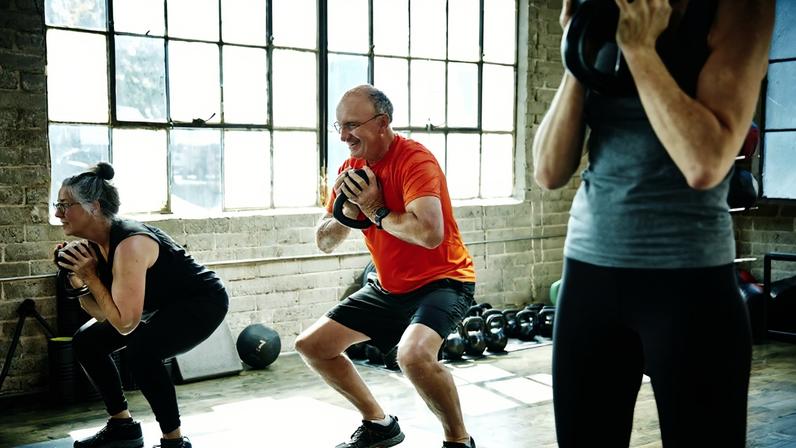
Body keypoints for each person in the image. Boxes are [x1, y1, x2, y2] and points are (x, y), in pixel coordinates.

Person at [532, 0, 774, 446]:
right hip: (589, 275)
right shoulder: (603, 11)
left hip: (689, 283)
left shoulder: (739, 9)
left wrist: (640, 50)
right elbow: (548, 171)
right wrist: (575, 47)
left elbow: (704, 162)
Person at [295, 84, 477, 448]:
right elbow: (324, 241)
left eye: (352, 126)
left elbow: (429, 234)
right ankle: (379, 425)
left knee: (412, 355)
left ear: (382, 123)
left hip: (442, 281)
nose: (344, 136)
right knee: (312, 345)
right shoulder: (351, 169)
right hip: (388, 287)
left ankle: (459, 441)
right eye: (339, 127)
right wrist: (348, 212)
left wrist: (375, 209)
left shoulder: (415, 161)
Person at [53, 162, 229, 448]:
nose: (57, 213)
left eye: (64, 205)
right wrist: (79, 281)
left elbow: (125, 323)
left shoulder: (131, 244)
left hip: (201, 301)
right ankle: (122, 426)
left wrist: (90, 277)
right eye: (57, 204)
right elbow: (103, 313)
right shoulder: (96, 244)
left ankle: (174, 441)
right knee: (87, 341)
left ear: (94, 207)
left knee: (142, 352)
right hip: (160, 304)